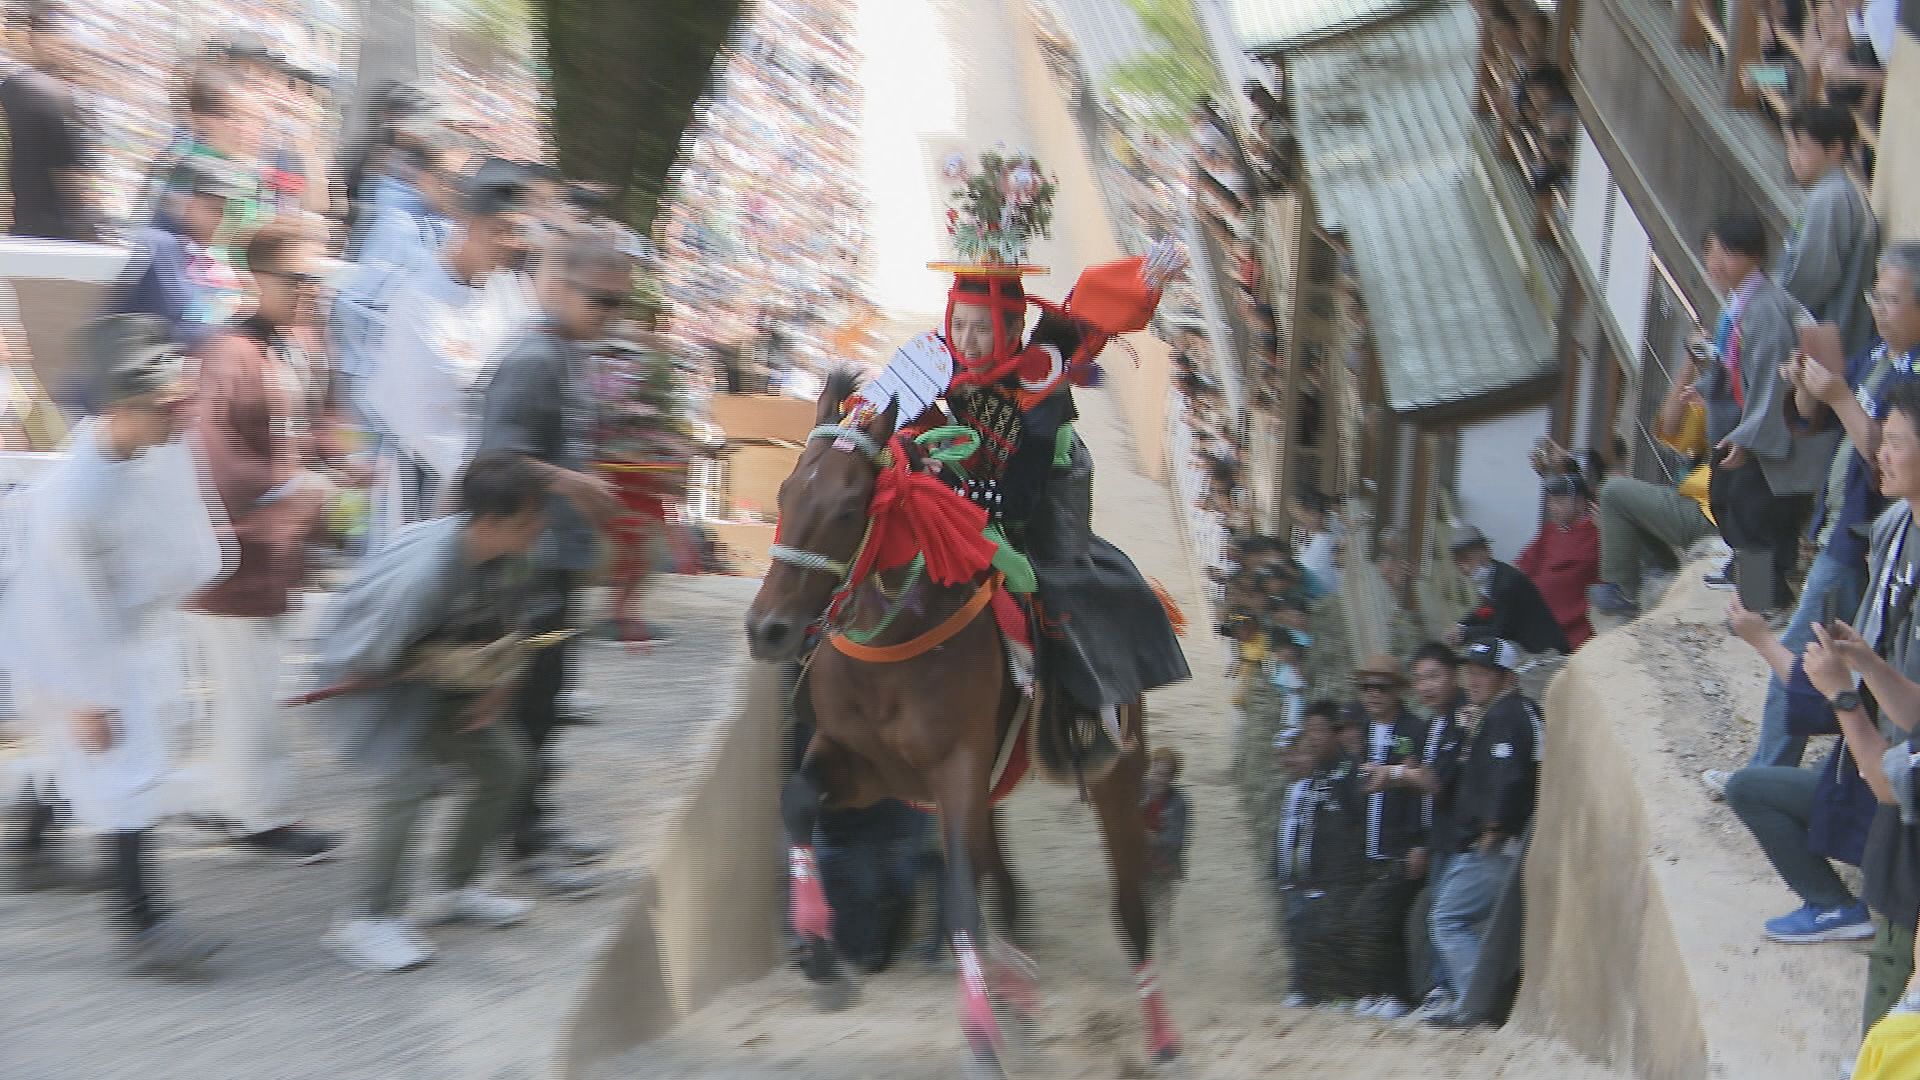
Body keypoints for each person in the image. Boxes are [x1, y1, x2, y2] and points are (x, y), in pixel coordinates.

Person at [837, 151, 1190, 774]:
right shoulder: (933, 355)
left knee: (1054, 577)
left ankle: (1084, 698)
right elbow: (876, 411)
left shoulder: (1042, 383)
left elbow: (1020, 495)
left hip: (1042, 496)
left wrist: (959, 494)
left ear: (1009, 327)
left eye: (982, 328)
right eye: (961, 325)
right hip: (962, 480)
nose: (969, 341)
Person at [0, 314, 228, 973]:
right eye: (168, 405)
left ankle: (34, 850)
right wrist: (83, 696)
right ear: (125, 409)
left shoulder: (152, 444)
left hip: (122, 626)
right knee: (126, 765)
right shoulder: (76, 499)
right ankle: (144, 924)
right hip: (68, 637)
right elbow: (59, 608)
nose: (183, 414)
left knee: (84, 755)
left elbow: (176, 527)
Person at [314, 452, 547, 972]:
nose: (540, 526)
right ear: (489, 522)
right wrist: (440, 660)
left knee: (504, 765)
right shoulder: (423, 577)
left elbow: (515, 622)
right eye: (530, 517)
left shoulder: (512, 555)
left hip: (447, 682)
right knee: (409, 784)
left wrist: (496, 681)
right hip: (379, 686)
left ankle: (455, 886)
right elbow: (365, 656)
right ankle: (366, 920)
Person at [1710, 245, 1920, 792]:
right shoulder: (1879, 356)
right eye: (1875, 294)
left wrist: (1838, 395)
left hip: (1866, 540)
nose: (1876, 307)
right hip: (1833, 528)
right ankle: (1805, 779)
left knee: (1815, 660)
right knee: (1839, 667)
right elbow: (1809, 416)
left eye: (1890, 298)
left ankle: (1767, 781)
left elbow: (1881, 457)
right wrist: (1805, 384)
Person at [177, 223, 340, 861]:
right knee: (256, 690)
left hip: (273, 549)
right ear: (260, 280)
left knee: (251, 687)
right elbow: (210, 452)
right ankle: (262, 814)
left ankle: (219, 796)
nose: (313, 292)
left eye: (318, 280)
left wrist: (341, 464)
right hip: (237, 552)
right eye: (301, 280)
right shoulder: (230, 355)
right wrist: (296, 481)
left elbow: (313, 429)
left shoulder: (296, 349)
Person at [476, 226, 630, 894]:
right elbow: (495, 461)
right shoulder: (533, 360)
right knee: (526, 702)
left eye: (620, 304)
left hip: (558, 559)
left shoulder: (569, 354)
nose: (609, 318)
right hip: (526, 565)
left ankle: (535, 825)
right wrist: (572, 485)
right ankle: (517, 842)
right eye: (601, 300)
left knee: (549, 701)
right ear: (560, 287)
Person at [1799, 377, 1920, 1034]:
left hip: (1901, 764)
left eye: (1897, 442)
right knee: (1890, 911)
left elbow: (1896, 775)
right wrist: (1863, 662)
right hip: (1898, 744)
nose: (1882, 454)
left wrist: (1845, 695)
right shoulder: (1896, 526)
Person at [364, 158, 530, 541]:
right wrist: (473, 476)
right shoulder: (418, 299)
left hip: (490, 476)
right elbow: (425, 410)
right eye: (498, 231)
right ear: (468, 227)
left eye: (516, 232)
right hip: (429, 471)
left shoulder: (506, 291)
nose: (509, 244)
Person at [1696, 212, 1839, 610]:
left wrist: (1746, 438)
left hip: (1770, 431)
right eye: (1711, 251)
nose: (1716, 261)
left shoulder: (1765, 308)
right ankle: (1756, 585)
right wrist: (1704, 388)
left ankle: (1763, 602)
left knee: (1750, 517)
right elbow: (1732, 364)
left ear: (1752, 256)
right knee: (1731, 505)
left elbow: (1772, 382)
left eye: (1727, 252)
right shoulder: (1742, 301)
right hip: (1750, 425)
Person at [1722, 597, 1877, 943]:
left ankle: (1833, 907)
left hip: (1896, 819)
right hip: (1894, 796)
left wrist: (1763, 641)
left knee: (1748, 788)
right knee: (1830, 768)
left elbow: (1830, 707)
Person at [1426, 637, 1542, 1027]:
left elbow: (1507, 777)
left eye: (1483, 673)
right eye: (1470, 672)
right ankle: (1482, 1003)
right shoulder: (1521, 710)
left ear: (1506, 677)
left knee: (1447, 918)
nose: (1473, 680)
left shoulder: (1505, 716)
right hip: (1516, 842)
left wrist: (1494, 826)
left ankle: (1477, 1006)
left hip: (1498, 844)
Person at [1589, 370, 1715, 618]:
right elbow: (1670, 429)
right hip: (1718, 504)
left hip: (1719, 513)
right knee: (1624, 501)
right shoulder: (1735, 393)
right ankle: (1660, 574)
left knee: (1615, 494)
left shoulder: (1741, 402)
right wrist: (1691, 363)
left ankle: (1624, 593)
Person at [1349, 654, 1432, 1018]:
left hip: (1402, 843)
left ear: (1398, 691)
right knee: (1382, 922)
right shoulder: (1365, 732)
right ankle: (1382, 992)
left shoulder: (1414, 730)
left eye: (1381, 687)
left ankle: (1396, 995)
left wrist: (1418, 842)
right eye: (1366, 687)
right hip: (1373, 843)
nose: (1372, 694)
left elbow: (1423, 790)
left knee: (1374, 917)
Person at [1276, 700, 1370, 1008]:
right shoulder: (1314, 777)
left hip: (1344, 874)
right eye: (1309, 731)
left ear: (1336, 732)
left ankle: (1344, 992)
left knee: (1334, 932)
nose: (1312, 738)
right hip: (1311, 875)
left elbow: (1360, 821)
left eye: (1319, 730)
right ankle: (1309, 991)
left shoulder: (1349, 772)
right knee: (1305, 931)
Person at [111, 155, 252, 351]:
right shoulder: (157, 243)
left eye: (232, 214)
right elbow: (184, 323)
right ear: (184, 202)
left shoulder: (202, 252)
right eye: (215, 210)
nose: (224, 222)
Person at [1400, 642, 1471, 1013]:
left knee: (1446, 916)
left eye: (1434, 676)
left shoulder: (1464, 717)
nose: (1426, 687)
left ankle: (1457, 992)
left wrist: (1400, 775)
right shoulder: (1431, 726)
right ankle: (1444, 989)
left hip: (1462, 837)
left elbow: (1438, 784)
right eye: (1419, 679)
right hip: (1437, 838)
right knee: (1436, 915)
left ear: (1454, 675)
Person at [1778, 104, 1880, 360]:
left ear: (1836, 148)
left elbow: (1811, 279)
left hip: (1821, 345)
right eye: (1790, 146)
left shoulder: (1832, 197)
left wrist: (1770, 307)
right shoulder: (1830, 193)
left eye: (1801, 146)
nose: (1793, 156)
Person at [0, 0, 100, 242]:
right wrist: (90, 230)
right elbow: (67, 172)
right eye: (59, 31)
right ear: (31, 37)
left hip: (27, 230)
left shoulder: (17, 88)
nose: (68, 44)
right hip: (51, 232)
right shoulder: (41, 91)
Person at [1446, 524, 1568, 655]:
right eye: (1458, 563)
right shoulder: (1493, 576)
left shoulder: (1506, 583)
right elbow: (1484, 610)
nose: (1464, 568)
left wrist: (1465, 633)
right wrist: (1461, 625)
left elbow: (1500, 631)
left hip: (1545, 651)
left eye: (1467, 560)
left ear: (1485, 552)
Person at [1514, 472, 1600, 650]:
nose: (1552, 507)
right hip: (1535, 623)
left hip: (1574, 628)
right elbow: (1523, 565)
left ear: (1581, 503)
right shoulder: (1550, 531)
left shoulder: (1597, 531)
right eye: (1550, 501)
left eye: (1559, 502)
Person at [1142, 746, 1191, 957]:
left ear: (1172, 778)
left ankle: (1166, 953)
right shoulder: (1135, 791)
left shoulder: (1179, 802)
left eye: (1164, 775)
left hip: (1162, 867)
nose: (1158, 779)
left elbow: (1175, 840)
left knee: (1160, 918)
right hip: (1135, 865)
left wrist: (1144, 836)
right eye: (1155, 772)